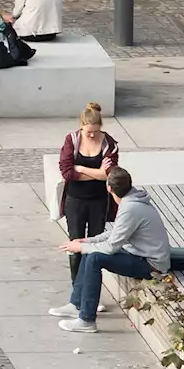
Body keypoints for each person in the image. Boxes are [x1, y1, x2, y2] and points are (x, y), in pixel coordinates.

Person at [51, 167, 171, 333]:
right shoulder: (131, 200)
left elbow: (111, 247)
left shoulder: (130, 208)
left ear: (109, 188)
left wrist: (80, 247)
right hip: (138, 253)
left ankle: (87, 320)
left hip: (150, 265)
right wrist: (87, 241)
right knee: (90, 252)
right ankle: (76, 303)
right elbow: (115, 233)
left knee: (94, 258)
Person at [58, 103, 120, 284]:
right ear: (81, 127)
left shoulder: (109, 143)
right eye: (88, 132)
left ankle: (91, 290)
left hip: (99, 201)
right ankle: (77, 289)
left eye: (95, 131)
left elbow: (109, 175)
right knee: (76, 244)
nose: (91, 135)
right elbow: (67, 172)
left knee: (95, 248)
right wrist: (97, 173)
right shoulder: (72, 140)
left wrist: (82, 168)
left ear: (100, 127)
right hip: (75, 201)